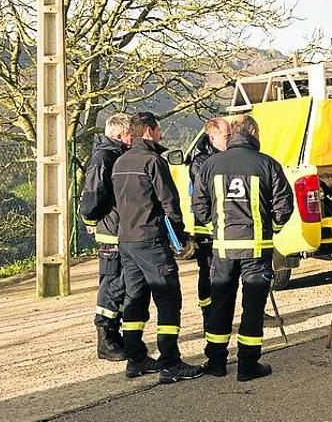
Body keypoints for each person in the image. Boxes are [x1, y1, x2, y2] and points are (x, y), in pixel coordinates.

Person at [192, 115, 294, 382]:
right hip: (257, 249)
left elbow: (199, 207)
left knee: (221, 304)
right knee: (252, 307)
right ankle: (248, 365)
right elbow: (284, 207)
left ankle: (215, 362)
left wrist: (217, 224)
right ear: (253, 132)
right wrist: (272, 227)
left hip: (223, 249)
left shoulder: (210, 164)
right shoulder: (267, 164)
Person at [112, 112, 203, 383]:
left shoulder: (119, 162)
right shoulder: (153, 162)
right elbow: (169, 203)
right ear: (150, 131)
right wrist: (181, 239)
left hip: (126, 240)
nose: (161, 134)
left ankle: (135, 359)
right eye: (159, 130)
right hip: (151, 240)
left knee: (134, 298)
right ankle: (170, 363)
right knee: (168, 299)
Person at [80, 113, 134, 362]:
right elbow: (93, 196)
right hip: (111, 232)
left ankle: (114, 331)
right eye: (130, 133)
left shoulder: (116, 155)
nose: (133, 137)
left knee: (121, 283)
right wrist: (91, 220)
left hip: (121, 229)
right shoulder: (104, 157)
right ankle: (105, 338)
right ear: (119, 134)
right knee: (112, 283)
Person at [187, 118, 232, 329]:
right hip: (207, 227)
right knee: (207, 273)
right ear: (212, 137)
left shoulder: (231, 156)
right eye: (227, 136)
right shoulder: (200, 162)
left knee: (230, 272)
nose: (230, 139)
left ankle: (228, 312)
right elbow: (207, 194)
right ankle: (208, 314)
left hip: (228, 225)